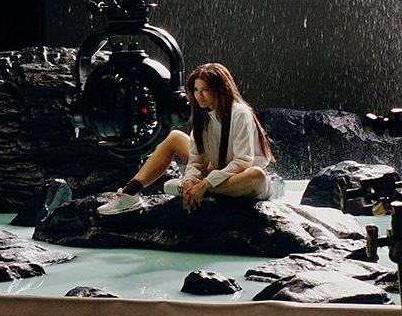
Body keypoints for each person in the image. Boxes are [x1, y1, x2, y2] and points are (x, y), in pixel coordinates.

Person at [97, 62, 280, 215]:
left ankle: (199, 190)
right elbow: (197, 160)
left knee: (256, 175)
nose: (199, 95)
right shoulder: (203, 114)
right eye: (196, 90)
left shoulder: (240, 113)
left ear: (220, 90)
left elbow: (243, 161)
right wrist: (190, 180)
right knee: (174, 136)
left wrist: (204, 184)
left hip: (242, 179)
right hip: (218, 172)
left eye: (205, 90)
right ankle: (130, 193)